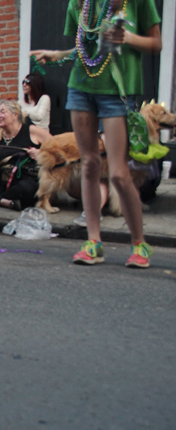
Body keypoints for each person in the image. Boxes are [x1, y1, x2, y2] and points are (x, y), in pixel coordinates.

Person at [31, 0, 161, 268]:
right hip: (80, 87)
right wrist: (58, 55)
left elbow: (156, 44)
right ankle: (93, 242)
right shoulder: (79, 4)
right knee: (88, 164)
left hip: (117, 91)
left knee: (117, 172)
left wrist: (128, 37)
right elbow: (85, 49)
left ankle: (139, 243)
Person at [0, 100, 52, 210]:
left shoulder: (32, 131)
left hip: (25, 180)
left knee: (27, 189)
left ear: (15, 115)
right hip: (0, 181)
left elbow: (58, 148)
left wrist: (41, 154)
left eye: (3, 112)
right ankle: (5, 201)